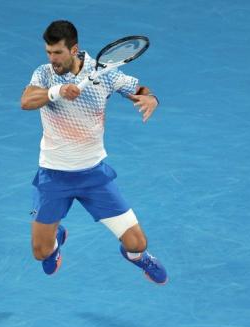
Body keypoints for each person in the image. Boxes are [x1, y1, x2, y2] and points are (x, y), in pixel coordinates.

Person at [20, 20, 167, 284]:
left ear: (74, 49)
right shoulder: (44, 74)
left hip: (93, 176)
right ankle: (56, 237)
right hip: (53, 177)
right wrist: (57, 91)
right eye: (48, 52)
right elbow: (26, 101)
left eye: (58, 53)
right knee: (41, 252)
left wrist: (151, 97)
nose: (52, 59)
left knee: (137, 242)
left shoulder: (105, 74)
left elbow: (139, 89)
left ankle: (140, 259)